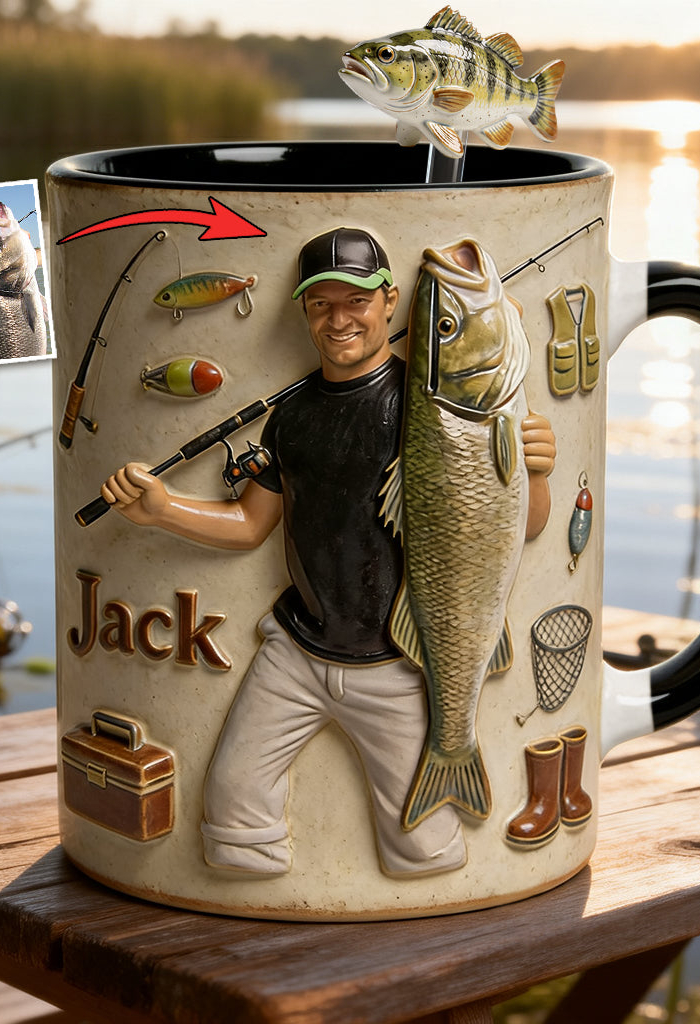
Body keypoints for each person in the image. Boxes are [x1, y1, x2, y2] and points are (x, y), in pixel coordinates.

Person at [101, 227, 556, 877]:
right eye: (321, 305)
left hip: (393, 663)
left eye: (357, 301)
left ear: (390, 302)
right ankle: (241, 930)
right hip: (297, 646)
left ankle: (427, 927)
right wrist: (164, 509)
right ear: (304, 312)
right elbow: (252, 523)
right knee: (232, 799)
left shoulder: (425, 402)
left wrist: (531, 468)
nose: (339, 319)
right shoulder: (291, 416)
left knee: (425, 848)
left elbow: (523, 522)